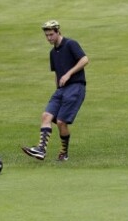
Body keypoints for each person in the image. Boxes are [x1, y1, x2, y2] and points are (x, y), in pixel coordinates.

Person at [22, 20, 89, 161]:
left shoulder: (71, 44)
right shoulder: (53, 53)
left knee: (61, 122)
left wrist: (68, 74)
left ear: (59, 32)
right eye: (46, 36)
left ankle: (64, 153)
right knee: (46, 116)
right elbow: (57, 74)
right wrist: (58, 89)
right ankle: (41, 150)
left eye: (51, 35)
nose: (49, 38)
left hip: (76, 87)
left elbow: (84, 60)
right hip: (61, 90)